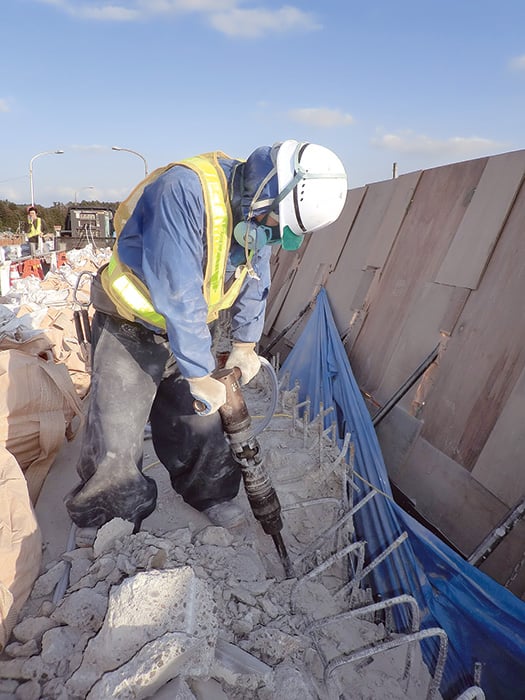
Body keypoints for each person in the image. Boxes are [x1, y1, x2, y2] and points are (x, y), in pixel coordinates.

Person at [64, 140, 348, 537]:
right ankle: (107, 518)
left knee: (199, 425)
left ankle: (211, 494)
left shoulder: (256, 212)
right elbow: (177, 289)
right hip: (130, 324)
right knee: (116, 433)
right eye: (272, 223)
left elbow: (255, 273)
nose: (269, 233)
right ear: (268, 190)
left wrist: (246, 343)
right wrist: (199, 372)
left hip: (192, 330)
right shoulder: (182, 191)